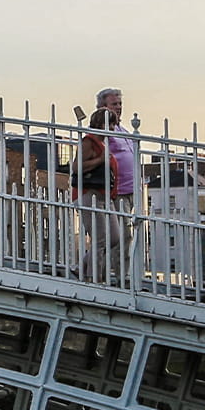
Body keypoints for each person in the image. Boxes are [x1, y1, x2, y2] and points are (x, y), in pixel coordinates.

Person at [78, 87, 137, 282]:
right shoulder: (99, 134)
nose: (119, 108)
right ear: (102, 108)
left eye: (120, 104)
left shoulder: (122, 129)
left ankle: (86, 267)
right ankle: (119, 277)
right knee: (119, 237)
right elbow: (80, 164)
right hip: (114, 191)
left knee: (117, 238)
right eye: (114, 104)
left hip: (130, 190)